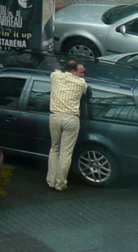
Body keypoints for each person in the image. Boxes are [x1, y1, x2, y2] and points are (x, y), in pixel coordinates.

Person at [46, 59, 89, 190]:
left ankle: (50, 181)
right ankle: (60, 183)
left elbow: (55, 71)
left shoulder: (56, 77)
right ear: (73, 72)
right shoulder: (81, 84)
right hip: (71, 119)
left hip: (55, 117)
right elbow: (85, 93)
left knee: (54, 149)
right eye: (81, 72)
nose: (83, 75)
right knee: (66, 152)